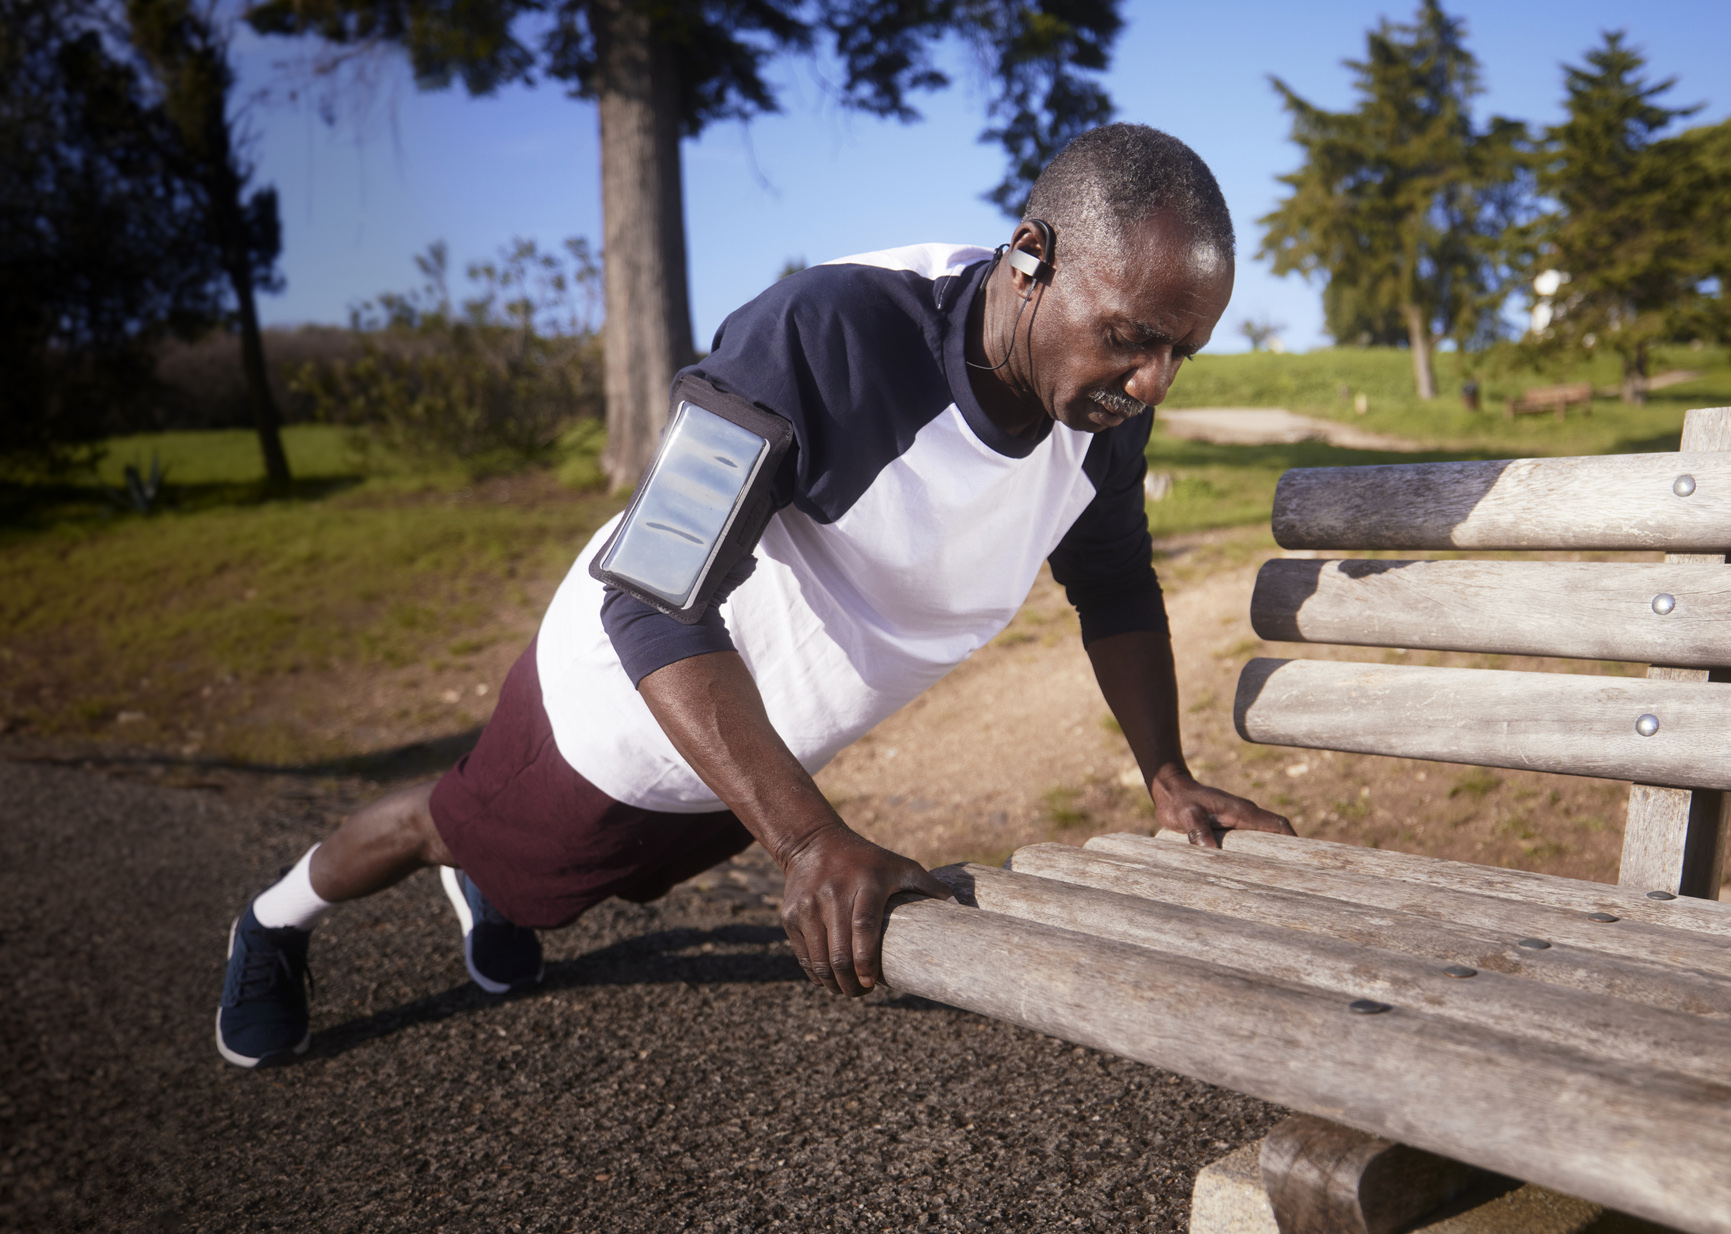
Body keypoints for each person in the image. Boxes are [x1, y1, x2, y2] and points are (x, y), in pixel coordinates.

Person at [216, 123, 1296, 1068]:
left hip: (766, 742)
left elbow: (1107, 579)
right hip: (628, 705)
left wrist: (1167, 775)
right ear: (1030, 258)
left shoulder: (1099, 408)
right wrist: (805, 844)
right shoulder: (823, 334)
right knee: (449, 825)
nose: (1153, 381)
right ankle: (274, 923)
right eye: (1129, 336)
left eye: (1178, 351)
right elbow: (648, 595)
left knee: (581, 878)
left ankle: (506, 884)